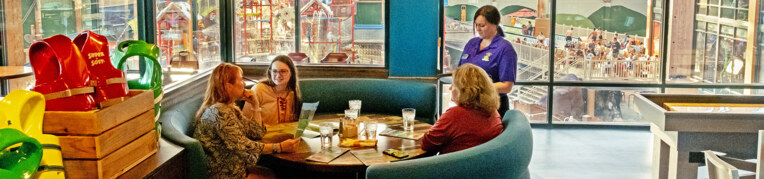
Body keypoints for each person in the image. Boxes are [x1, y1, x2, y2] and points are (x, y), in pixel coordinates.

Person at [194, 63, 300, 179]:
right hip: (226, 175)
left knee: (277, 172)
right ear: (228, 86)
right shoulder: (219, 112)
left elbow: (257, 132)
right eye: (241, 80)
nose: (244, 84)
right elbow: (243, 146)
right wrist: (279, 147)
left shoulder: (231, 108)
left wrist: (255, 105)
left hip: (238, 169)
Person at [421, 64, 504, 154]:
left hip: (452, 166)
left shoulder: (454, 115)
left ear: (464, 90)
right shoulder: (494, 113)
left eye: (453, 85)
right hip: (482, 164)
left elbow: (427, 144)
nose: (450, 88)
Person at [459, 5, 517, 117]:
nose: (478, 29)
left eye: (482, 25)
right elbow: (461, 71)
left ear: (495, 25)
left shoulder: (505, 49)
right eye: (476, 25)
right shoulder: (472, 43)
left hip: (491, 108)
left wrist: (477, 90)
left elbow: (507, 86)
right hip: (468, 106)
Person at [243, 55, 303, 126]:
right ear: (270, 72)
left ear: (291, 73)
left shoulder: (292, 92)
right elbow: (245, 121)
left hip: (287, 134)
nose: (278, 75)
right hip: (263, 135)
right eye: (274, 71)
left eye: (283, 71)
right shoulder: (259, 89)